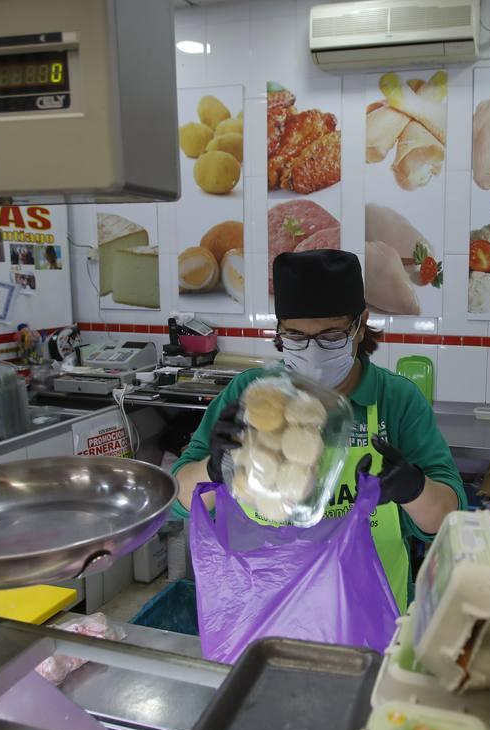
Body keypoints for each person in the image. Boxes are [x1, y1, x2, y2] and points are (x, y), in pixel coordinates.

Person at [172, 250, 465, 611]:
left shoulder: (395, 400)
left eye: (330, 336)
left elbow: (448, 518)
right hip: (264, 608)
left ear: (360, 327)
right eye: (295, 336)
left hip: (367, 610)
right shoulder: (250, 395)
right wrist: (213, 470)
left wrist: (414, 489)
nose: (311, 351)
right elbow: (179, 500)